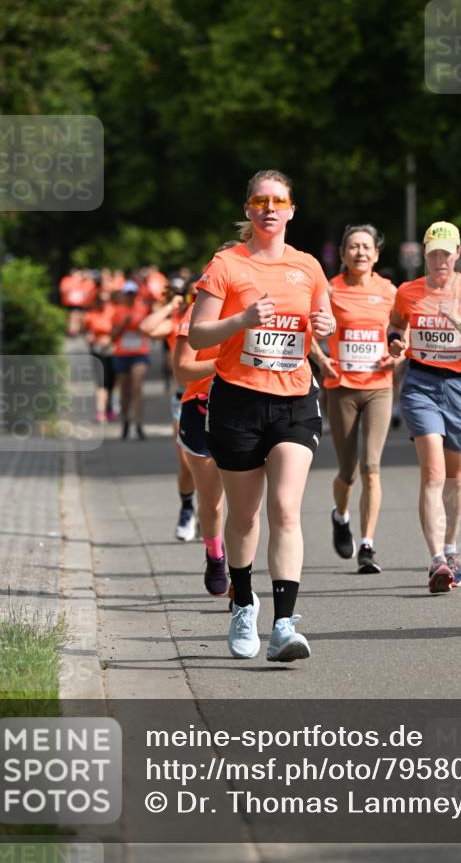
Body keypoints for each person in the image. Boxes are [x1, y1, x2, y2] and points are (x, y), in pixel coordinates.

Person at [188, 169, 334, 661]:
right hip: (237, 401)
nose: (270, 208)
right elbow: (198, 336)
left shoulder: (309, 267)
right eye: (260, 200)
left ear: (292, 209)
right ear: (248, 210)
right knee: (246, 516)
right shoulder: (226, 264)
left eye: (279, 201)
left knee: (286, 509)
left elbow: (323, 323)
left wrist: (326, 325)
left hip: (294, 399)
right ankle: (243, 602)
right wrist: (241, 320)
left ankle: (285, 625)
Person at [389, 222, 461, 593]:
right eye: (433, 253)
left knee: (456, 476)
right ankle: (436, 560)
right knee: (433, 473)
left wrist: (459, 321)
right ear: (425, 254)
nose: (439, 260)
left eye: (446, 253)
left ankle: (451, 548)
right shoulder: (409, 292)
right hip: (421, 384)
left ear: (457, 254)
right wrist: (395, 343)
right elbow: (395, 326)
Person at [310, 225, 397, 573]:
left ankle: (367, 546)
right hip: (341, 387)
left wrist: (398, 353)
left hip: (379, 387)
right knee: (347, 472)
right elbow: (306, 327)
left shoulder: (389, 291)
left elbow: (403, 330)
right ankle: (340, 515)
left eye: (366, 247)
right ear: (343, 254)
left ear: (376, 254)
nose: (360, 252)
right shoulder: (330, 289)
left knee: (371, 468)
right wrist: (322, 360)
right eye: (353, 247)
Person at [173, 289, 228, 596]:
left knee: (247, 508)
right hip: (201, 409)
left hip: (246, 412)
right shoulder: (197, 314)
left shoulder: (260, 313)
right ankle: (215, 555)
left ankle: (242, 580)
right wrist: (226, 363)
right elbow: (181, 370)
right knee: (212, 503)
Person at [139, 279, 198, 540]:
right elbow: (147, 328)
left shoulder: (221, 322)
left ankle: (210, 513)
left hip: (217, 399)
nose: (197, 301)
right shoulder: (177, 324)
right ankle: (187, 508)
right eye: (192, 296)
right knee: (187, 464)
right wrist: (170, 307)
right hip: (184, 398)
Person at [111, 280, 150, 440]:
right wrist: (124, 325)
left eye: (132, 294)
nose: (130, 297)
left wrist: (142, 328)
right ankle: (125, 421)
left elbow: (149, 329)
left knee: (137, 387)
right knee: (124, 392)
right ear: (124, 295)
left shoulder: (143, 309)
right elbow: (112, 336)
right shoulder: (118, 311)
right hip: (122, 353)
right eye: (127, 294)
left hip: (139, 353)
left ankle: (139, 423)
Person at [84, 285, 116, 422]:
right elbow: (86, 331)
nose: (103, 303)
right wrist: (89, 336)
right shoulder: (90, 315)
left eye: (106, 301)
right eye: (100, 301)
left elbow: (119, 328)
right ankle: (100, 411)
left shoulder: (114, 312)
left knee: (112, 382)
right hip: (97, 350)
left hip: (113, 350)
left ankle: (109, 407)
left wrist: (112, 338)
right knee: (101, 382)